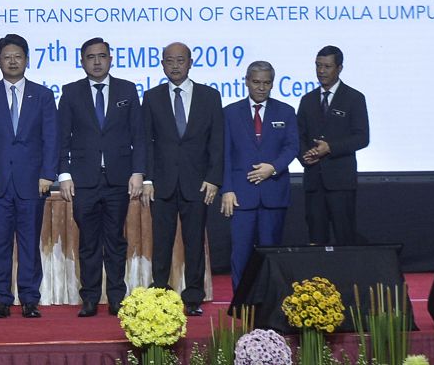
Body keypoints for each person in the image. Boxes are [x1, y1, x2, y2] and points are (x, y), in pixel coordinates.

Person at [0, 33, 58, 319]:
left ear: (27, 60)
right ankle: (2, 299)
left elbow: (51, 138)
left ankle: (30, 298)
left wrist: (48, 174)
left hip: (33, 183)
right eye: (7, 57)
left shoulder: (43, 95)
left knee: (29, 243)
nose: (12, 61)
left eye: (18, 56)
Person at [58, 37, 144, 317]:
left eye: (102, 56)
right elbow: (62, 138)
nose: (97, 61)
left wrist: (138, 172)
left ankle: (117, 297)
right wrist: (65, 174)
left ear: (110, 58)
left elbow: (139, 136)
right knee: (89, 242)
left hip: (119, 179)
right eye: (90, 57)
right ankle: (91, 298)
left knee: (116, 241)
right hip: (84, 180)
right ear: (82, 61)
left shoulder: (127, 90)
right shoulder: (70, 92)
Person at [141, 42, 223, 316]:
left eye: (180, 60)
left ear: (190, 62)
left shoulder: (209, 96)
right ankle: (161, 294)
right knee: (161, 242)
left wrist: (213, 178)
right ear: (162, 64)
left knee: (195, 242)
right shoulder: (152, 97)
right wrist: (148, 179)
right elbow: (146, 142)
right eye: (169, 61)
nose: (175, 66)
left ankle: (193, 296)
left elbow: (217, 142)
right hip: (162, 183)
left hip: (197, 183)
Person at [220, 61, 298, 290]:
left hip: (273, 194)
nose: (261, 87)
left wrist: (272, 168)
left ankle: (270, 304)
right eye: (256, 82)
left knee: (272, 254)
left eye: (266, 83)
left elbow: (293, 147)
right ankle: (242, 304)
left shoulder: (286, 111)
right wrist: (227, 189)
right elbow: (224, 154)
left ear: (273, 83)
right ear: (246, 81)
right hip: (241, 196)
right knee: (241, 255)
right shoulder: (230, 112)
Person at [297, 45, 369, 245]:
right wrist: (305, 155)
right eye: (318, 66)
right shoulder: (307, 100)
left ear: (339, 68)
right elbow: (298, 135)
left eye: (327, 66)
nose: (321, 71)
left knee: (345, 236)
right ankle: (317, 276)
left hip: (340, 182)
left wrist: (330, 147)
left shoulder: (354, 98)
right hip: (313, 181)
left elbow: (362, 137)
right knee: (316, 237)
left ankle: (348, 276)